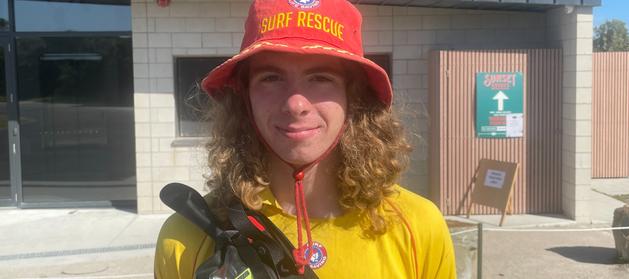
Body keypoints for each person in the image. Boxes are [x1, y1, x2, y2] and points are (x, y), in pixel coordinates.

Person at [154, 0, 456, 278]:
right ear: (243, 98)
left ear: (354, 98)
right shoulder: (187, 237)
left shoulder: (419, 227)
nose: (295, 104)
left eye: (321, 78)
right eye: (271, 78)